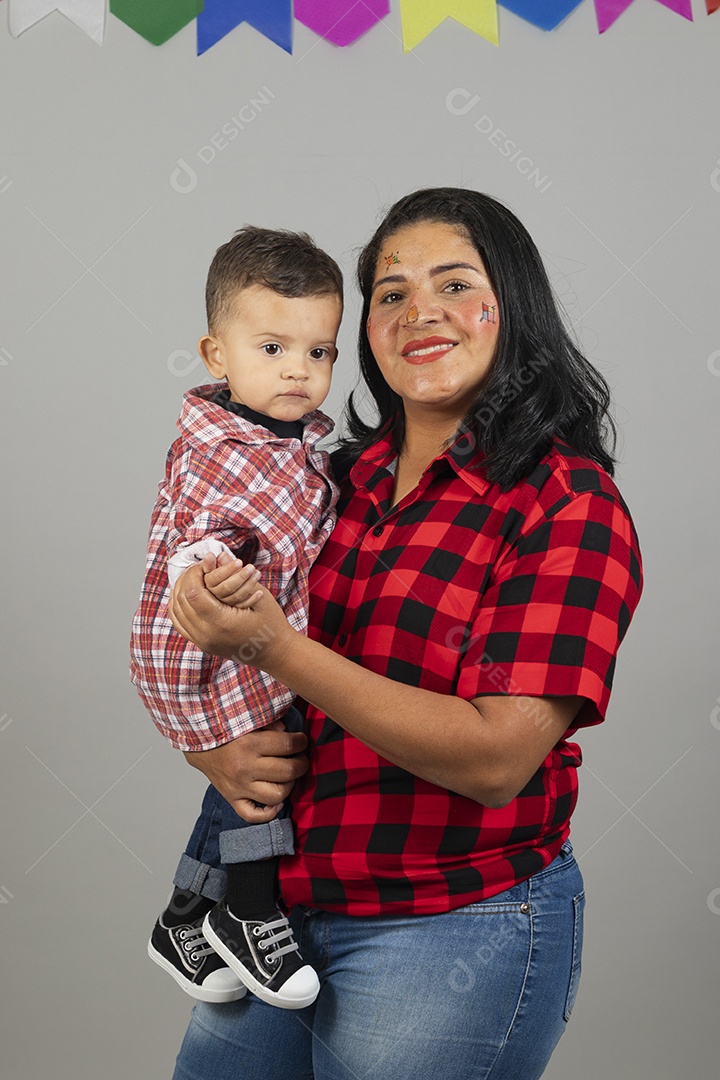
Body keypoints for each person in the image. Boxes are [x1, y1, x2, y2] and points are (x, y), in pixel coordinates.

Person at [167, 188, 643, 1080]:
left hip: (450, 923)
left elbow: (496, 759)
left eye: (455, 284)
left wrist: (277, 648)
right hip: (273, 916)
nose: (420, 312)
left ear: (515, 306)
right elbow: (211, 645)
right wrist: (215, 753)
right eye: (390, 293)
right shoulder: (324, 478)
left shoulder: (566, 503)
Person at [129, 226, 343, 1009]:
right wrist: (208, 577)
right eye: (273, 348)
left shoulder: (284, 436)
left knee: (244, 772)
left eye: (318, 352)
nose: (298, 370)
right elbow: (209, 529)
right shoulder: (229, 449)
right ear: (216, 354)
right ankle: (248, 909)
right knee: (266, 774)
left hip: (242, 639)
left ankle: (185, 915)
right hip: (207, 642)